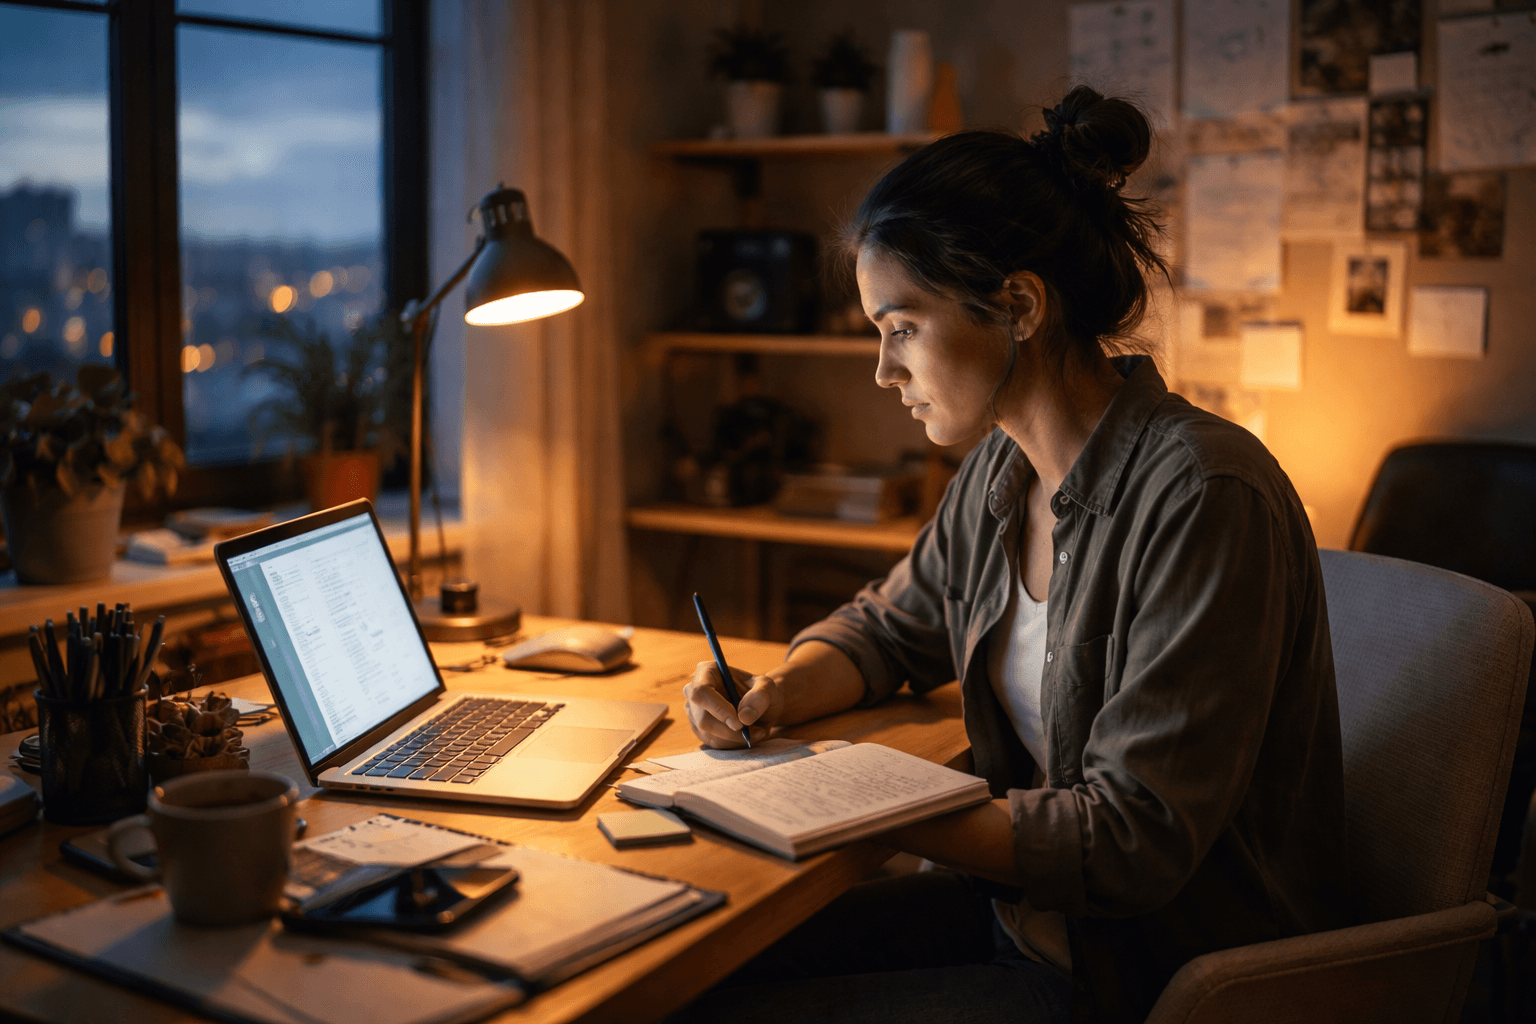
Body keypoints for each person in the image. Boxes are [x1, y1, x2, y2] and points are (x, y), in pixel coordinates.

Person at [672, 86, 1349, 1024]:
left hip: (1144, 974)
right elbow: (886, 629)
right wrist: (776, 692)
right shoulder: (1000, 470)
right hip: (1024, 920)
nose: (884, 370)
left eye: (902, 329)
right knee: (691, 966)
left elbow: (1131, 843)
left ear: (1020, 305)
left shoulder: (1204, 495)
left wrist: (868, 803)